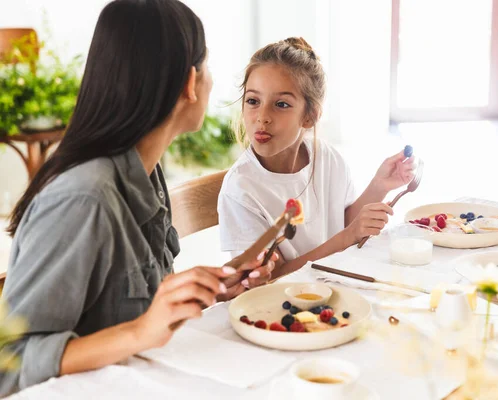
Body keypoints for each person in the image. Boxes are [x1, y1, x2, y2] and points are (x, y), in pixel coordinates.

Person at [0, 0, 274, 394]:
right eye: (208, 66)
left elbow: (142, 306)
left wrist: (210, 290)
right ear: (189, 83)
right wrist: (139, 331)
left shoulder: (146, 170)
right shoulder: (84, 199)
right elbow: (9, 364)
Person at [218, 37, 415, 279]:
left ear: (309, 116)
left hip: (332, 288)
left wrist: (379, 186)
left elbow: (342, 224)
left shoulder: (327, 158)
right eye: (253, 101)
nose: (262, 117)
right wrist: (348, 236)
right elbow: (270, 279)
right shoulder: (240, 189)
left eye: (280, 104)